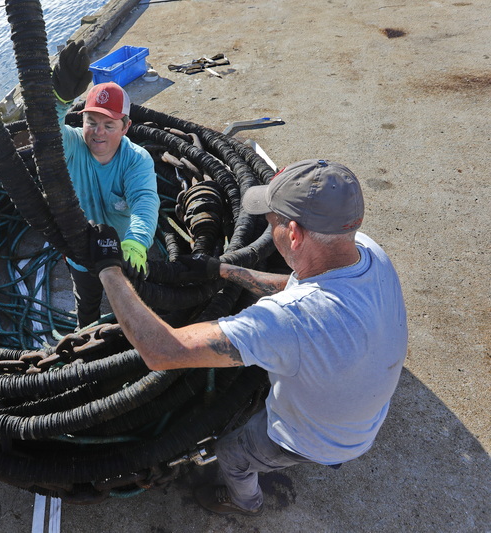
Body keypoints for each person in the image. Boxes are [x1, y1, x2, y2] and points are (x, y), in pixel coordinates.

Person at [87, 159, 408, 516]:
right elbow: (299, 286)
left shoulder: (288, 321)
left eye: (272, 224)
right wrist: (222, 269)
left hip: (322, 439)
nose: (270, 230)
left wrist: (109, 269)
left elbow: (161, 351)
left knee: (232, 454)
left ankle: (246, 502)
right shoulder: (366, 251)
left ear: (295, 234)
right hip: (366, 412)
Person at [52, 41, 159, 328]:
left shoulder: (136, 160)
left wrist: (136, 242)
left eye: (109, 125)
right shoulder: (72, 144)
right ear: (81, 119)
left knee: (132, 305)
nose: (98, 133)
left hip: (123, 251)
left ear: (125, 127)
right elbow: (47, 131)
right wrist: (58, 101)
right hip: (79, 253)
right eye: (91, 122)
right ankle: (85, 340)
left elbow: (144, 202)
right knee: (86, 303)